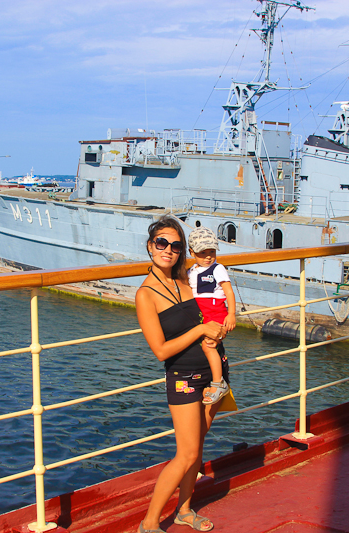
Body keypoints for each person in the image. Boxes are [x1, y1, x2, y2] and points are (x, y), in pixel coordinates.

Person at [136, 216, 228, 533]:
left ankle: (185, 511)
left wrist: (216, 330)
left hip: (215, 370)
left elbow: (213, 308)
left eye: (176, 245)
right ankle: (149, 523)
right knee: (186, 453)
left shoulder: (189, 280)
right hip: (184, 377)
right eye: (162, 242)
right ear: (150, 246)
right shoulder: (145, 295)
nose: (169, 249)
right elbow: (161, 351)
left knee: (198, 447)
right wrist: (201, 328)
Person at [187, 227, 236, 405]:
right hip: (201, 314)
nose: (208, 256)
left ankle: (218, 383)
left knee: (208, 346)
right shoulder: (192, 271)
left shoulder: (217, 269)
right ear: (191, 252)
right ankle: (210, 381)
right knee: (202, 345)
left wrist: (231, 314)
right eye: (202, 253)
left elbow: (228, 292)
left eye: (212, 252)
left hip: (215, 313)